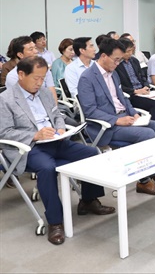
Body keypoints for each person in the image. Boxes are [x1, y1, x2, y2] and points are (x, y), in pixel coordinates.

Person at [0, 56, 115, 245]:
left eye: (43, 78)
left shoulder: (44, 93)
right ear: (21, 75)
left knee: (91, 154)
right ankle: (55, 222)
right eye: (36, 78)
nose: (40, 83)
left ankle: (88, 200)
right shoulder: (5, 100)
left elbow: (57, 115)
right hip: (29, 148)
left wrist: (60, 128)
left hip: (56, 141)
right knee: (47, 168)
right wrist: (35, 135)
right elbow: (4, 132)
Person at [77, 38, 155, 195]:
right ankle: (144, 181)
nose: (118, 63)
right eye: (116, 60)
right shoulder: (87, 78)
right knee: (147, 134)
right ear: (104, 56)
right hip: (106, 125)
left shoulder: (113, 74)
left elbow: (122, 97)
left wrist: (133, 112)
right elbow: (89, 110)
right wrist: (117, 120)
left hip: (125, 116)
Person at [115, 38, 155, 133]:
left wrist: (146, 86)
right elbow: (119, 85)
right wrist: (135, 91)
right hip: (132, 94)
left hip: (143, 91)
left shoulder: (134, 61)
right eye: (127, 51)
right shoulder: (117, 65)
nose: (130, 53)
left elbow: (142, 77)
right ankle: (154, 130)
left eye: (131, 51)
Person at [4, 36, 58, 103]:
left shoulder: (43, 69)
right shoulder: (13, 76)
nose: (36, 51)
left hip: (47, 106)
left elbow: (51, 91)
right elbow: (19, 102)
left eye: (35, 48)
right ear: (20, 55)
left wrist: (55, 110)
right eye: (31, 49)